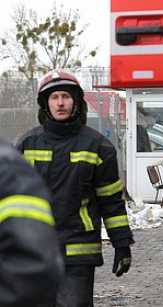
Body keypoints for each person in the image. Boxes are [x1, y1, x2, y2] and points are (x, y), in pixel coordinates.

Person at [16, 70, 134, 307]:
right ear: (45, 103)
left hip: (78, 250)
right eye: (54, 97)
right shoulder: (26, 144)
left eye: (66, 97)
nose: (60, 103)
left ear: (76, 102)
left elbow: (110, 201)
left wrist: (121, 244)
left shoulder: (99, 146)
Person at [0, 139, 63, 307]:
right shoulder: (27, 143)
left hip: (77, 241)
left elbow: (32, 268)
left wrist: (120, 240)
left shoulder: (7, 168)